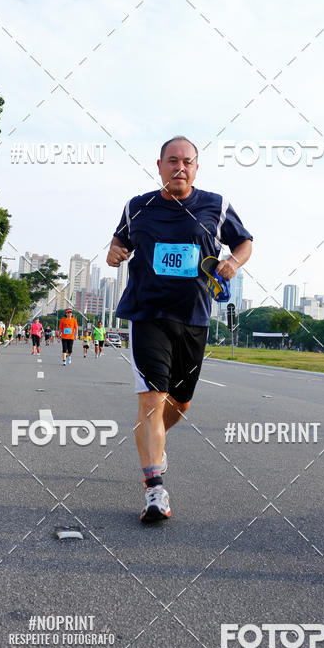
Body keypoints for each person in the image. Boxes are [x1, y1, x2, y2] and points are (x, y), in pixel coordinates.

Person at [107, 136, 252, 523]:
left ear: (196, 167)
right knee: (152, 400)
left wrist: (233, 264)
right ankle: (154, 488)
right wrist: (113, 251)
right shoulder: (137, 206)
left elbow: (244, 243)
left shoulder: (216, 205)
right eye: (172, 161)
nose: (179, 168)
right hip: (148, 313)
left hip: (194, 316)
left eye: (187, 161)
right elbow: (118, 241)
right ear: (159, 165)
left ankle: (157, 438)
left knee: (180, 404)